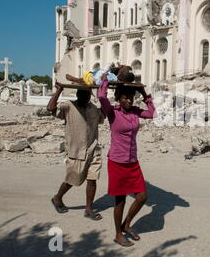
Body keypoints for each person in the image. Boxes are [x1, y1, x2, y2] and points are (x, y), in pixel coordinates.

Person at [97, 73, 156, 247]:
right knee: (120, 200)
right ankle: (117, 234)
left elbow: (152, 113)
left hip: (132, 162)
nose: (129, 101)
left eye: (130, 98)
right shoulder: (112, 112)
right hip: (116, 162)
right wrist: (106, 79)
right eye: (125, 98)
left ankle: (126, 224)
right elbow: (101, 96)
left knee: (142, 197)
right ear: (119, 99)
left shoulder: (136, 112)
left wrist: (144, 94)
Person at [47, 82, 105, 221]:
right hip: (76, 151)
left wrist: (104, 94)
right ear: (77, 94)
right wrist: (59, 90)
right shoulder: (68, 106)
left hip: (93, 149)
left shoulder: (94, 109)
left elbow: (104, 116)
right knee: (72, 180)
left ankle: (88, 209)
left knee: (92, 180)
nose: (84, 97)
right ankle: (57, 198)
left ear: (90, 96)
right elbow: (50, 108)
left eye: (87, 94)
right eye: (81, 94)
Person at [66, 64, 135, 86]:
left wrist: (105, 74)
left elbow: (101, 81)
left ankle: (75, 80)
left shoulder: (115, 79)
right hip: (96, 76)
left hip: (96, 79)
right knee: (84, 79)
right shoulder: (115, 77)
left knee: (84, 79)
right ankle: (75, 80)